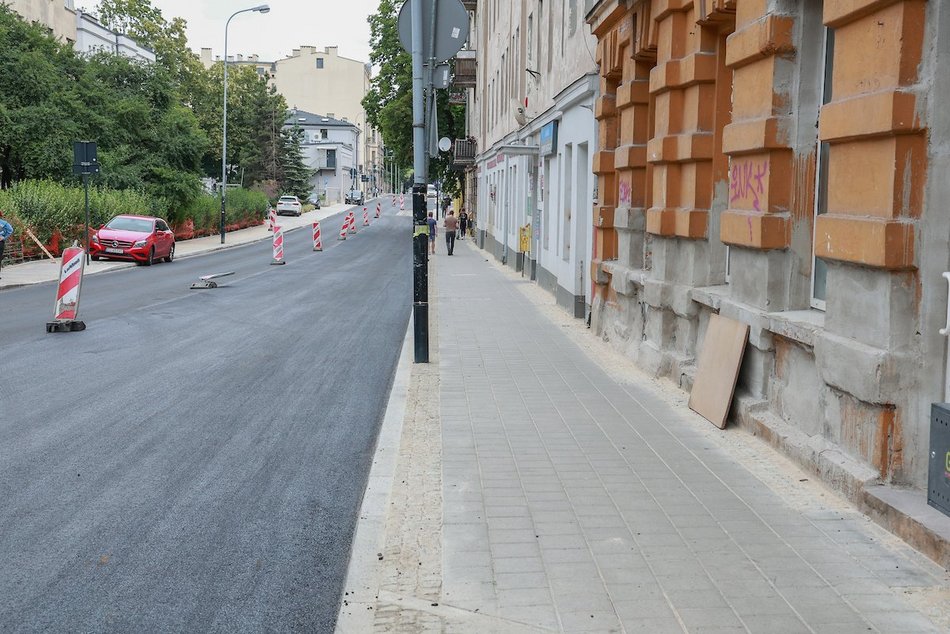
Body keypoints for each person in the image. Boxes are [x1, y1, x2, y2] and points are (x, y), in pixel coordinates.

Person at [0, 211, 13, 279]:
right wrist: (4, 237)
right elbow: (10, 230)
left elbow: (10, 230)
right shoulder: (4, 223)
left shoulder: (3, 223)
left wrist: (3, 237)